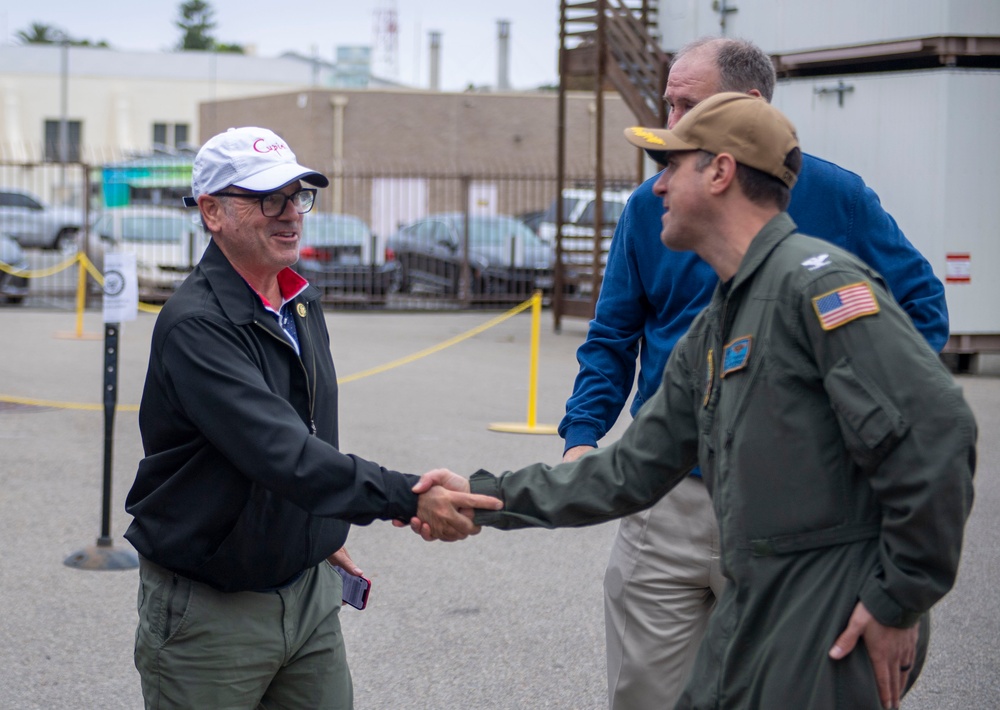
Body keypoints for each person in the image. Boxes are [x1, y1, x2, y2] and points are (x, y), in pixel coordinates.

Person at [414, 92, 975, 710]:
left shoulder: (819, 286)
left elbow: (940, 430)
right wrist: (484, 495)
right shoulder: (719, 322)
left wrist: (900, 599)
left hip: (831, 618)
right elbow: (631, 470)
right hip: (757, 606)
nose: (655, 188)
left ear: (720, 172)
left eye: (670, 166)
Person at [558, 37, 951, 710]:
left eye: (689, 104)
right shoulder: (652, 209)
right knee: (648, 695)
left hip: (798, 504)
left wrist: (844, 420)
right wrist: (582, 437)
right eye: (669, 102)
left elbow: (922, 314)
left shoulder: (839, 198)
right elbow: (612, 336)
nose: (673, 121)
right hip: (670, 495)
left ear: (749, 106)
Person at [124, 126, 501, 710]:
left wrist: (313, 533)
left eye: (297, 195)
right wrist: (407, 495)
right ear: (211, 211)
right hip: (210, 612)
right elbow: (280, 452)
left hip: (307, 594)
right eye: (266, 198)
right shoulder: (196, 324)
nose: (289, 214)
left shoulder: (298, 299)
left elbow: (309, 433)